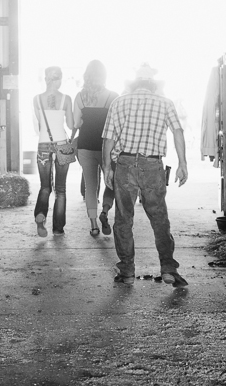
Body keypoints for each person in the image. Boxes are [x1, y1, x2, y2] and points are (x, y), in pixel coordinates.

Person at [102, 63, 189, 286]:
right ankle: (168, 269)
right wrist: (182, 163)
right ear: (153, 85)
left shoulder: (118, 102)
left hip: (125, 163)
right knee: (159, 218)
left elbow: (108, 139)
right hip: (152, 165)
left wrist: (107, 168)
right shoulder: (165, 103)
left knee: (123, 219)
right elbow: (178, 131)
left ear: (133, 83)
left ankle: (127, 272)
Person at [73, 60, 118, 237]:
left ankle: (93, 225)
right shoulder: (113, 96)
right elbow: (117, 123)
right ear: (104, 76)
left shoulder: (80, 96)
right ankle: (105, 211)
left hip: (84, 145)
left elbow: (76, 123)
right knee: (111, 181)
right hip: (106, 146)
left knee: (90, 187)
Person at [32, 66, 75, 237]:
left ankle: (40, 215)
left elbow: (38, 127)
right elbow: (71, 125)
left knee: (44, 187)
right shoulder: (66, 99)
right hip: (62, 146)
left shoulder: (36, 99)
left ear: (46, 79)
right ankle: (58, 228)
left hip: (43, 144)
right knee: (61, 189)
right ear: (58, 80)